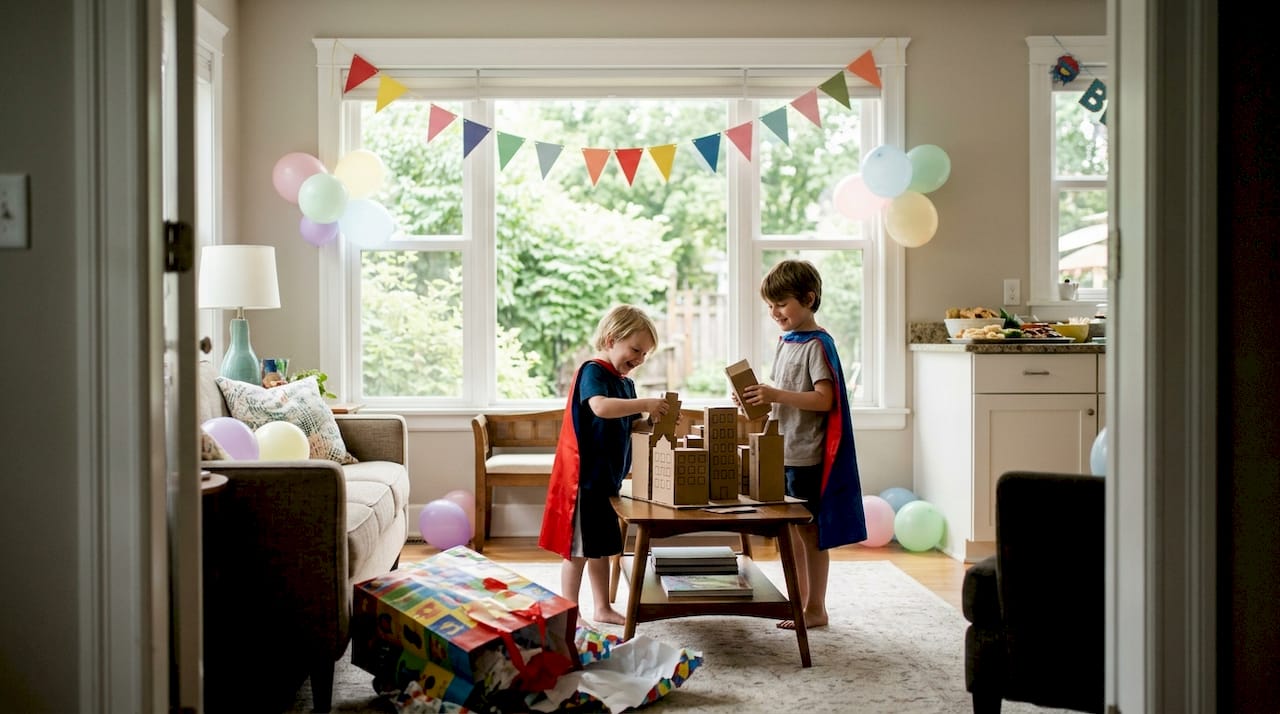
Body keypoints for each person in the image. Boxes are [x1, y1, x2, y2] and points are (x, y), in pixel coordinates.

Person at [739, 259, 866, 630]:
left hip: (806, 454)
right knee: (792, 529)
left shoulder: (816, 344)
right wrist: (760, 398)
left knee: (810, 532)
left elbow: (824, 399)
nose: (774, 312)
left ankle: (816, 607)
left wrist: (776, 392)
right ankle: (801, 598)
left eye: (781, 303)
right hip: (785, 448)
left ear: (808, 299)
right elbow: (787, 398)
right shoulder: (787, 342)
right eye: (770, 306)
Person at [539, 304, 671, 626]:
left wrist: (653, 421)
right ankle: (571, 613)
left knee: (600, 549)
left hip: (607, 482)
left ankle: (602, 607)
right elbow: (600, 408)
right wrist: (644, 403)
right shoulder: (593, 371)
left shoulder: (625, 383)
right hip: (583, 481)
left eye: (645, 355)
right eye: (635, 350)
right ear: (611, 339)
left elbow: (631, 424)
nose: (639, 359)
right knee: (579, 552)